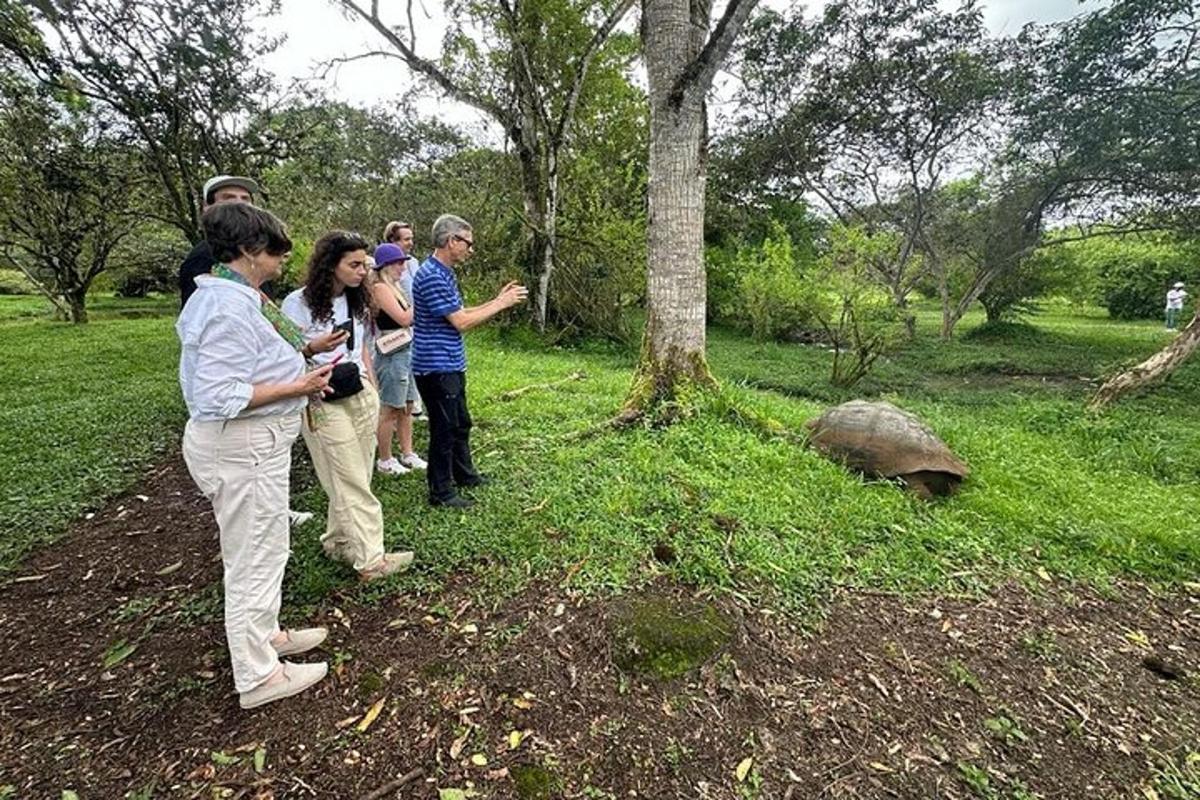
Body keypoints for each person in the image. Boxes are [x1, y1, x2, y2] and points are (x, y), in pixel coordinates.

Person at [177, 202, 335, 709]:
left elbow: (254, 363)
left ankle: (266, 637)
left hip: (257, 446)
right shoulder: (226, 306)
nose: (282, 261)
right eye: (274, 252)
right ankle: (258, 676)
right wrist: (299, 384)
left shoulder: (240, 297)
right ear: (248, 251)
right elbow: (215, 394)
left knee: (269, 547)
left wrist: (301, 365)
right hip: (239, 447)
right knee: (250, 560)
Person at [281, 232, 414, 579]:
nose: (361, 271)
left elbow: (363, 346)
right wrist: (311, 350)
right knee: (350, 478)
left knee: (356, 472)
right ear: (330, 265)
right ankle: (372, 559)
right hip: (321, 397)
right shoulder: (297, 303)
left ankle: (338, 541)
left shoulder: (356, 299)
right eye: (353, 265)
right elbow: (280, 356)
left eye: (364, 264)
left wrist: (370, 386)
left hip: (357, 389)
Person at [411, 214, 528, 508]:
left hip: (450, 362)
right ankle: (441, 492)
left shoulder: (444, 272)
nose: (470, 250)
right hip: (436, 366)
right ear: (452, 241)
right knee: (444, 428)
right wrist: (500, 304)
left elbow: (457, 312)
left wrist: (494, 301)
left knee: (461, 423)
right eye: (468, 243)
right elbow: (461, 322)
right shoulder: (432, 276)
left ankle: (464, 475)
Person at [370, 242, 427, 476]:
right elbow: (403, 318)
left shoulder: (395, 287)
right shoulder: (380, 288)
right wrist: (422, 303)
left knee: (407, 405)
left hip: (406, 349)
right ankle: (385, 458)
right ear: (387, 265)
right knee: (391, 407)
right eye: (399, 263)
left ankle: (407, 452)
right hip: (392, 352)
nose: (403, 267)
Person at [179, 175, 262, 309]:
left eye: (245, 198)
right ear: (207, 207)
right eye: (229, 198)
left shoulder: (256, 253)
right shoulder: (204, 256)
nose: (239, 203)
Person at [382, 220, 426, 421]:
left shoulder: (414, 262)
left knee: (413, 364)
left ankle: (414, 404)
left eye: (411, 238)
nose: (411, 242)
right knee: (396, 374)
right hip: (395, 328)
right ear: (393, 240)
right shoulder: (382, 271)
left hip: (414, 322)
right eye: (406, 239)